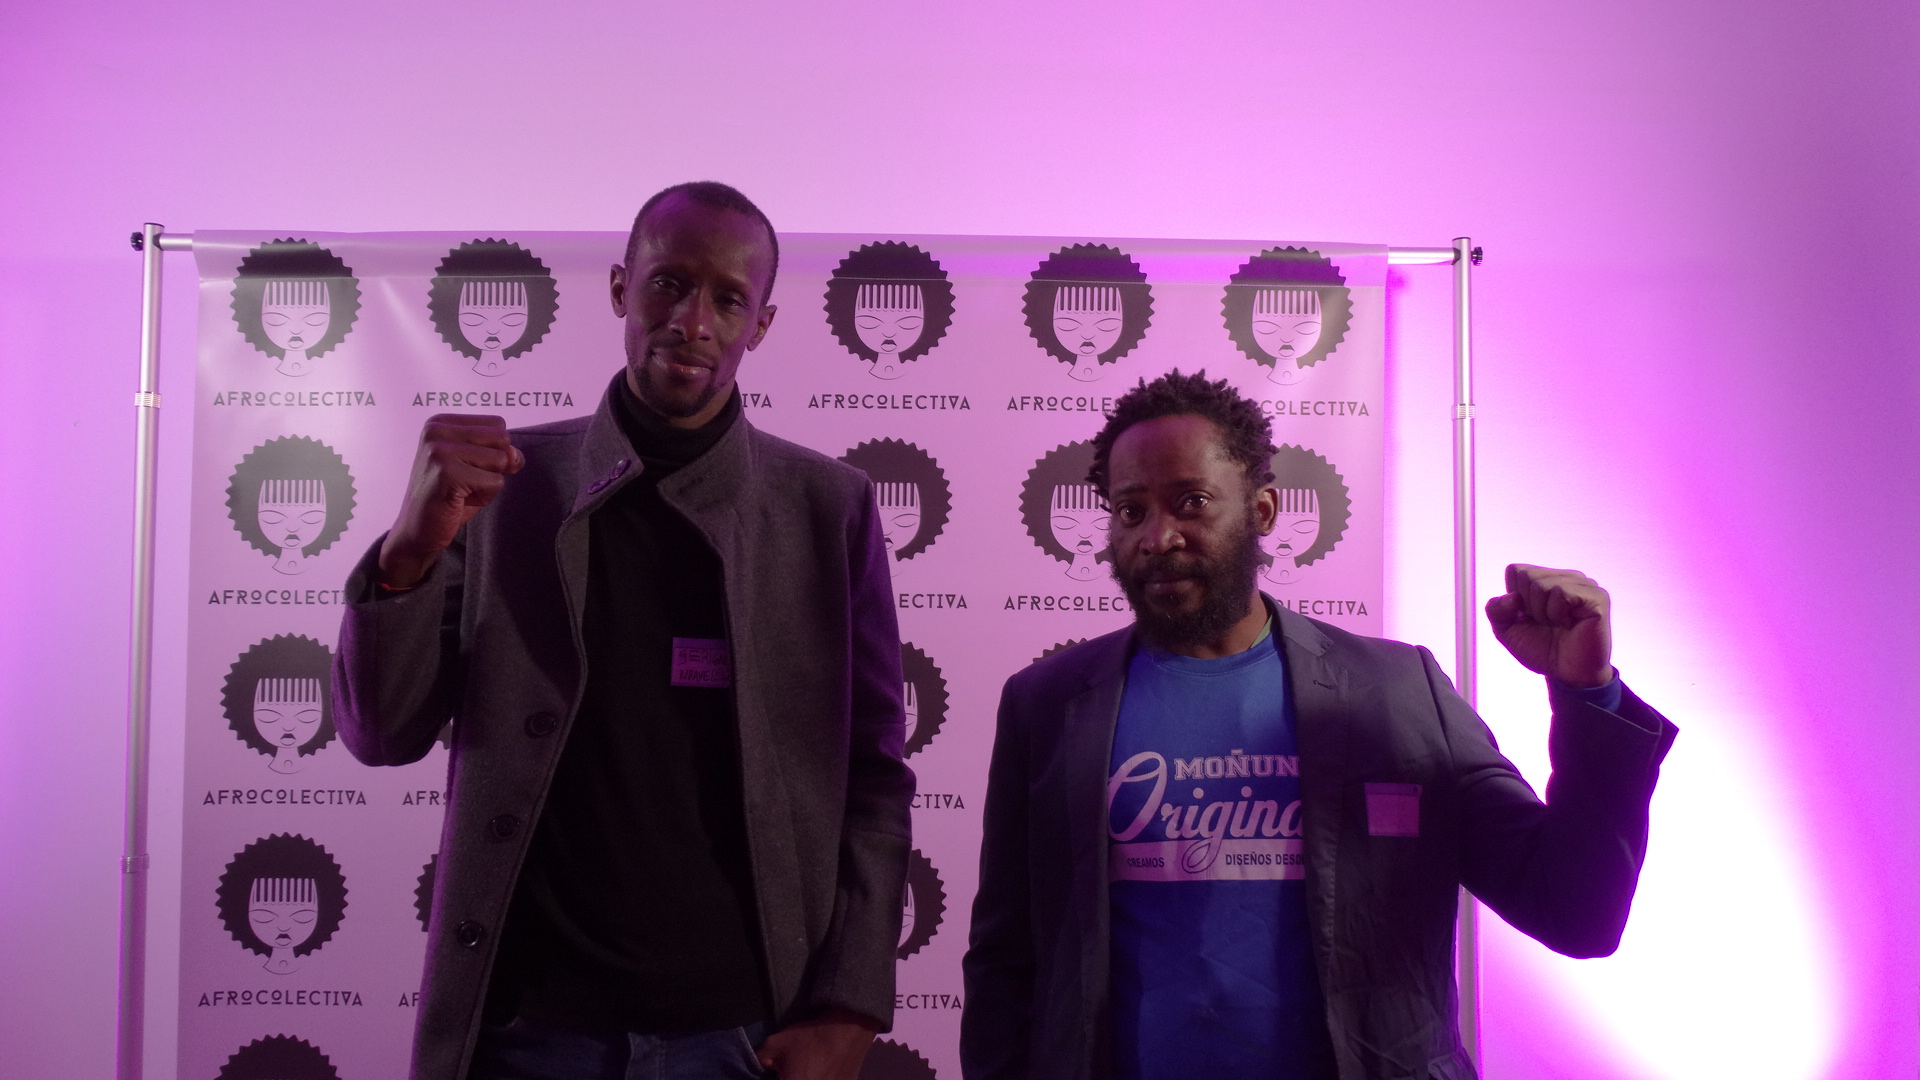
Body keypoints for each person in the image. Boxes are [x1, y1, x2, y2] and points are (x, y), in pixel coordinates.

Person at [334, 181, 914, 1080]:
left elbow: (874, 776)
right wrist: (407, 551)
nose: (693, 321)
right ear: (620, 289)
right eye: (668, 284)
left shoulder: (826, 507)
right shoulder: (502, 489)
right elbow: (381, 733)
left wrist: (851, 1005)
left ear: (761, 325)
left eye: (729, 299)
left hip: (742, 1034)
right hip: (526, 1030)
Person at [960, 370, 1677, 1080]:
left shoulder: (1397, 691)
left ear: (1262, 510)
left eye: (1192, 502)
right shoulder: (1049, 706)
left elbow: (1575, 910)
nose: (1158, 536)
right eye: (1130, 511)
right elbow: (1005, 963)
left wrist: (1587, 694)